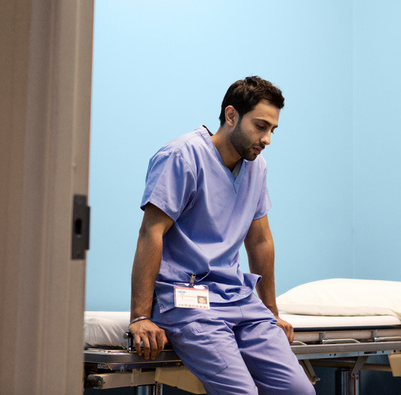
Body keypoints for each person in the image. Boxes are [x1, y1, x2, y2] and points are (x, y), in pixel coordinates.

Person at [128, 76, 315, 394]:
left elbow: (259, 241)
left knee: (299, 391)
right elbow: (151, 232)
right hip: (190, 302)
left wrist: (271, 313)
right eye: (260, 126)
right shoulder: (182, 156)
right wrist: (140, 317)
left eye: (272, 130)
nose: (267, 138)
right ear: (231, 116)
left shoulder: (257, 167)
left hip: (238, 299)